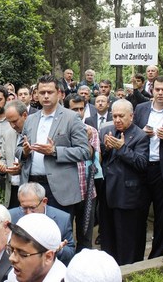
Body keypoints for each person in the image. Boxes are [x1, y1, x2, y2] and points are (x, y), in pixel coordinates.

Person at [17, 75, 90, 215]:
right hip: (32, 185)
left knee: (59, 231)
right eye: (42, 92)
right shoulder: (30, 119)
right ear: (36, 95)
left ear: (59, 94)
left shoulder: (71, 117)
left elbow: (84, 151)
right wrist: (25, 151)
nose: (45, 96)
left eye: (49, 92)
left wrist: (54, 151)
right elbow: (18, 149)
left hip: (60, 188)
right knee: (33, 232)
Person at [99, 99, 149, 265]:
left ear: (131, 116)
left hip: (127, 195)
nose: (117, 120)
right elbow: (101, 161)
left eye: (121, 116)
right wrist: (106, 148)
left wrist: (122, 148)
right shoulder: (107, 131)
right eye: (114, 116)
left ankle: (127, 270)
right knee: (107, 237)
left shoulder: (140, 136)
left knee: (127, 238)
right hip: (107, 193)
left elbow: (142, 164)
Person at [133, 75, 163, 258]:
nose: (160, 93)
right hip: (141, 168)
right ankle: (135, 255)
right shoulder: (141, 108)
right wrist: (141, 134)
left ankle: (157, 256)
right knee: (138, 214)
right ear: (152, 90)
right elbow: (131, 134)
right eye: (157, 89)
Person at [64, 93, 101, 252]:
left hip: (87, 189)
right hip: (65, 191)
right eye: (74, 109)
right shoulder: (60, 130)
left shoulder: (91, 130)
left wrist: (85, 140)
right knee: (65, 234)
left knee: (85, 235)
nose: (78, 113)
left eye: (81, 109)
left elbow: (95, 159)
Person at [8, 183, 75, 265]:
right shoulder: (10, 216)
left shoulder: (62, 218)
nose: (28, 213)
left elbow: (70, 252)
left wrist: (58, 249)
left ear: (44, 201)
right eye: (24, 208)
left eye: (32, 208)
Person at [6, 213, 66, 282]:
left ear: (48, 257)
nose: (11, 258)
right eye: (11, 249)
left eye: (22, 253)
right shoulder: (14, 275)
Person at [0, 100, 28, 208]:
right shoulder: (8, 134)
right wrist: (2, 165)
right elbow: (3, 157)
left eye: (15, 121)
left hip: (29, 189)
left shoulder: (35, 133)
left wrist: (21, 169)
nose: (12, 125)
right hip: (12, 189)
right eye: (9, 122)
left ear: (25, 115)